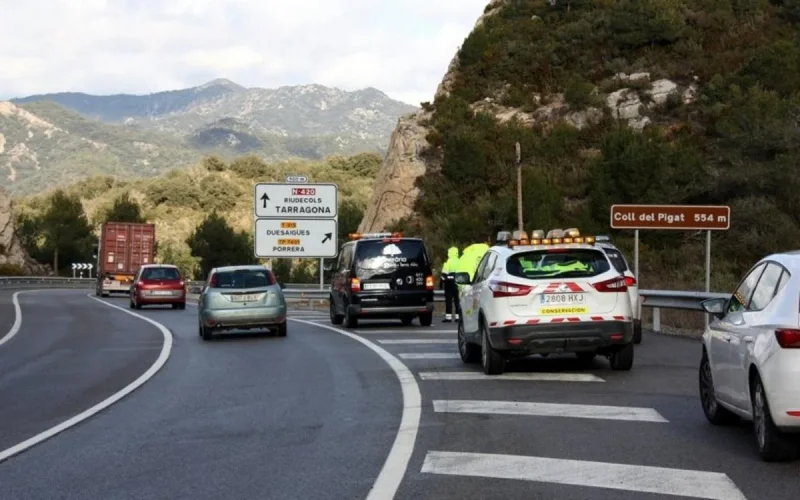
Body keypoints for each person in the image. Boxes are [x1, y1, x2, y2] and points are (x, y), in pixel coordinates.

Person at [441, 247, 461, 322]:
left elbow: (443, 275)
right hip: (458, 285)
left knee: (448, 301)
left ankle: (448, 317)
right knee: (457, 301)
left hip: (449, 285)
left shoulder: (448, 262)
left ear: (450, 253)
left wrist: (442, 283)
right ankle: (457, 317)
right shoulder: (460, 261)